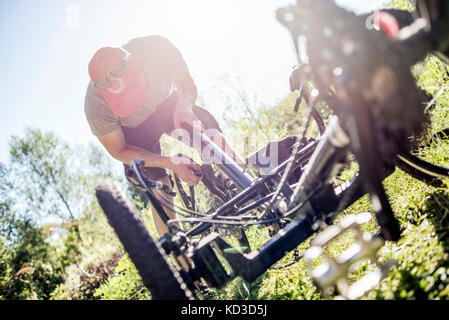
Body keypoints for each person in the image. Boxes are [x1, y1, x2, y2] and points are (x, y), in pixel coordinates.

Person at [84, 35, 244, 238]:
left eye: (134, 93)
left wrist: (184, 106)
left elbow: (186, 85)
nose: (135, 103)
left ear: (140, 67)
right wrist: (170, 162)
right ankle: (180, 258)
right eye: (125, 101)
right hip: (134, 135)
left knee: (208, 133)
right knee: (159, 188)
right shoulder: (95, 104)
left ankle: (256, 189)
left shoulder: (157, 50)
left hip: (167, 105)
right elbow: (119, 150)